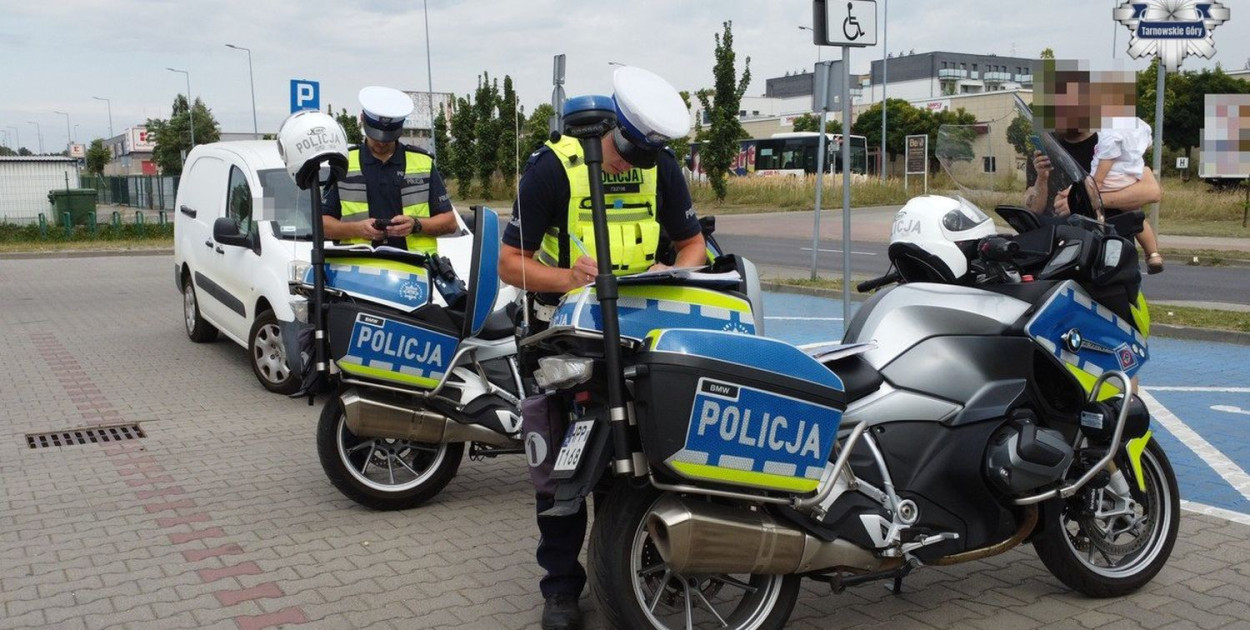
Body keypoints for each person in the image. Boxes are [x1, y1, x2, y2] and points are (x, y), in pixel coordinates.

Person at [498, 66, 706, 630]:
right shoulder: (551, 169)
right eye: (622, 154)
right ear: (610, 127)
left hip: (642, 332)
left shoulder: (659, 166)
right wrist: (567, 277)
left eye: (642, 159)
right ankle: (562, 588)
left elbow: (694, 248)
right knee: (563, 469)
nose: (627, 167)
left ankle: (642, 562)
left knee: (644, 453)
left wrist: (673, 270)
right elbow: (509, 264)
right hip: (564, 342)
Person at [1025, 63, 1164, 273]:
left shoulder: (1110, 142)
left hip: (1111, 251)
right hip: (1059, 253)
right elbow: (1033, 209)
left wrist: (1081, 203)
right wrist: (1041, 179)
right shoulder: (1045, 150)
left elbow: (1152, 192)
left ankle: (1152, 253)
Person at [321, 86, 459, 253]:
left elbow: (450, 222)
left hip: (414, 270)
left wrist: (416, 225)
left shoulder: (423, 163)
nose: (381, 142)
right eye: (375, 135)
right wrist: (357, 229)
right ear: (362, 119)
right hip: (357, 270)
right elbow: (322, 224)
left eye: (388, 137)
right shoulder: (344, 164)